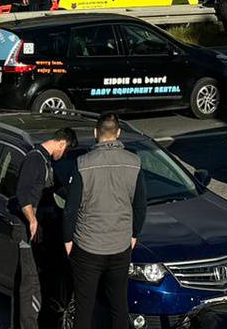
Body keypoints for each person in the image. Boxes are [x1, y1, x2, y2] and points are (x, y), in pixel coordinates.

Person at [67, 115, 146, 329]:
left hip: (88, 246)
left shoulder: (83, 164)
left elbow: (71, 208)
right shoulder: (134, 162)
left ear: (95, 133)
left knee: (84, 307)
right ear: (118, 133)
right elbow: (140, 206)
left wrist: (68, 241)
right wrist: (133, 235)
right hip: (120, 246)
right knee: (119, 305)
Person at [11, 126, 77, 329]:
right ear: (62, 143)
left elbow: (59, 189)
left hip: (43, 230)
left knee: (42, 279)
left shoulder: (47, 162)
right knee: (30, 282)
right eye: (65, 151)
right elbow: (23, 194)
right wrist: (32, 220)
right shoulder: (34, 159)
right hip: (27, 230)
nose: (63, 156)